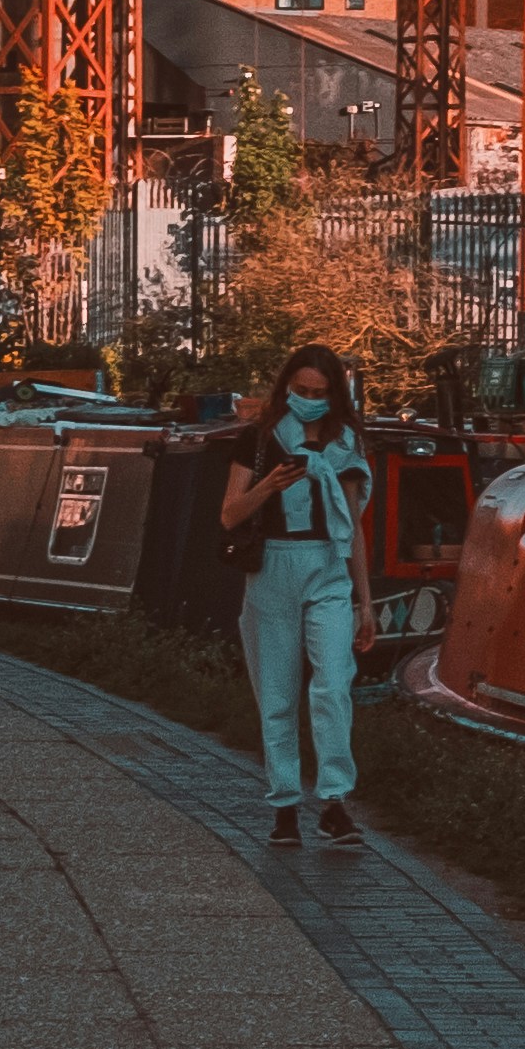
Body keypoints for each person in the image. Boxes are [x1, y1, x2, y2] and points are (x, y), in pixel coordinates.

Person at [217, 343, 375, 853]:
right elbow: (229, 515)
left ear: (334, 396)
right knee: (278, 696)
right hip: (273, 569)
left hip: (328, 565)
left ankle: (333, 801)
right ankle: (284, 806)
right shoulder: (258, 441)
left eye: (319, 393)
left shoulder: (346, 441)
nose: (309, 400)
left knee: (333, 684)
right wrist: (269, 486)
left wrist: (365, 602)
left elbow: (353, 527)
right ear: (287, 386)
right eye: (301, 391)